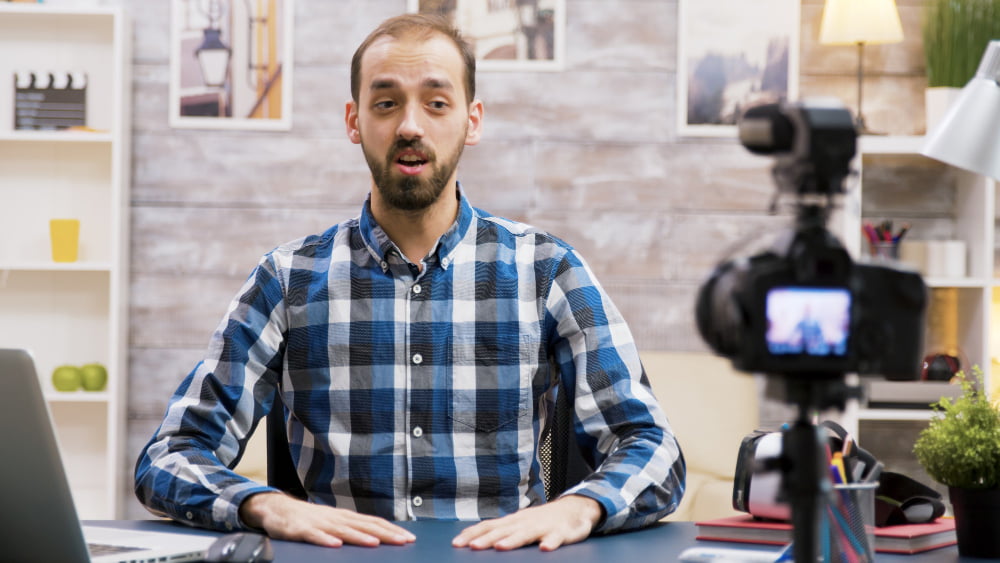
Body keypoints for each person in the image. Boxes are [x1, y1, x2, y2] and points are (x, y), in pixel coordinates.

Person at [134, 14, 685, 552]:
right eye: (386, 102)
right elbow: (170, 456)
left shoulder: (548, 271)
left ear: (472, 120)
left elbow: (653, 448)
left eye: (436, 102)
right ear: (354, 121)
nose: (410, 126)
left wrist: (579, 506)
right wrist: (264, 504)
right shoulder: (287, 280)